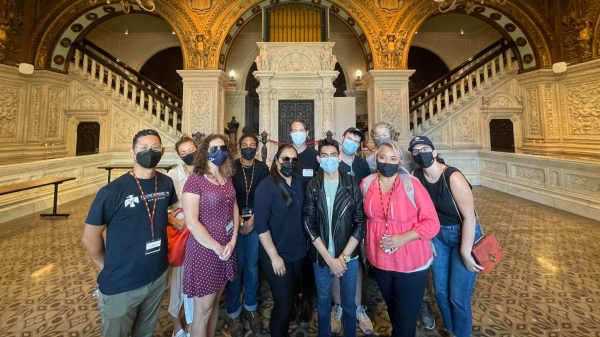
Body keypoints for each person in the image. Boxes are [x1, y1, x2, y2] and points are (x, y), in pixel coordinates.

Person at [82, 129, 177, 337]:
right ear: (132, 152)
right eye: (143, 148)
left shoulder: (166, 183)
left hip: (157, 274)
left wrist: (175, 221)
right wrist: (105, 264)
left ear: (162, 151)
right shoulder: (112, 192)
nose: (149, 152)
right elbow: (90, 237)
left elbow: (160, 211)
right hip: (122, 282)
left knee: (145, 332)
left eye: (155, 148)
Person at [362, 140, 440, 337]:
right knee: (394, 310)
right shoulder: (367, 183)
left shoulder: (411, 184)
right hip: (379, 260)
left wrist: (403, 238)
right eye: (382, 157)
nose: (387, 162)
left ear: (400, 162)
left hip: (411, 263)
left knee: (405, 322)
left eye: (393, 158)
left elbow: (432, 223)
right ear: (375, 159)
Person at [409, 136, 483, 337]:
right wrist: (428, 240)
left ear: (434, 152)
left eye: (424, 149)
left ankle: (462, 334)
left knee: (458, 296)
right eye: (415, 152)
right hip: (437, 236)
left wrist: (466, 251)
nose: (420, 154)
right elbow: (419, 213)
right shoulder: (416, 176)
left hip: (463, 233)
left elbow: (469, 217)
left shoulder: (452, 176)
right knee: (440, 291)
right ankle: (450, 329)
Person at [303, 138, 366, 337]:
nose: (329, 159)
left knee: (349, 305)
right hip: (322, 259)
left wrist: (343, 258)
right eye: (324, 155)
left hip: (349, 259)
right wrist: (330, 260)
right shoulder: (313, 186)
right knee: (323, 305)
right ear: (318, 159)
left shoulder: (351, 184)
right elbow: (309, 224)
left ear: (339, 157)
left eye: (332, 155)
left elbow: (359, 222)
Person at [181, 134, 239, 337]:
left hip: (226, 248)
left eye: (223, 148)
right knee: (202, 312)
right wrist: (217, 247)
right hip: (205, 251)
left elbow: (234, 209)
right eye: (214, 149)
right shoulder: (195, 180)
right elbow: (192, 222)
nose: (219, 152)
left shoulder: (226, 175)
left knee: (215, 304)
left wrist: (233, 240)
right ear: (205, 151)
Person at [254, 145, 306, 337]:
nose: (289, 163)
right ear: (277, 161)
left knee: (290, 297)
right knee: (283, 306)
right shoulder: (266, 186)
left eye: (294, 160)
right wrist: (274, 256)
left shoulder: (299, 182)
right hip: (275, 254)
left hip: (297, 252)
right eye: (285, 159)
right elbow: (261, 225)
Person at [225, 133, 270, 336]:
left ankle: (251, 308)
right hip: (233, 224)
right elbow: (226, 196)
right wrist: (240, 222)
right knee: (235, 267)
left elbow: (266, 196)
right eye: (245, 145)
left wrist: (251, 221)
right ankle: (234, 312)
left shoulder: (263, 168)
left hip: (255, 223)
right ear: (239, 146)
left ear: (257, 147)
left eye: (253, 145)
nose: (249, 147)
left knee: (251, 267)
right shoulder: (231, 167)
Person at [330, 127, 373, 335]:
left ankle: (356, 308)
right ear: (342, 139)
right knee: (337, 264)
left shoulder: (362, 165)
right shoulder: (330, 161)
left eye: (356, 141)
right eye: (350, 139)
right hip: (334, 224)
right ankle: (337, 307)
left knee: (356, 264)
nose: (352, 143)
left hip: (357, 223)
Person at [166, 135, 197, 337]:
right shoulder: (172, 175)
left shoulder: (207, 171)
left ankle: (193, 324)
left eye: (191, 151)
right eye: (183, 153)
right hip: (180, 232)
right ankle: (177, 326)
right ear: (179, 155)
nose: (188, 156)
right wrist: (176, 221)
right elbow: (163, 208)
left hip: (201, 234)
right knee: (177, 281)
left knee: (196, 280)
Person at [290, 119, 319, 323]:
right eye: (295, 130)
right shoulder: (284, 153)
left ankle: (306, 298)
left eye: (301, 130)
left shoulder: (314, 156)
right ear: (290, 133)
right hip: (289, 215)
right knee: (291, 258)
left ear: (307, 133)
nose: (298, 133)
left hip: (310, 214)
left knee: (309, 258)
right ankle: (291, 299)